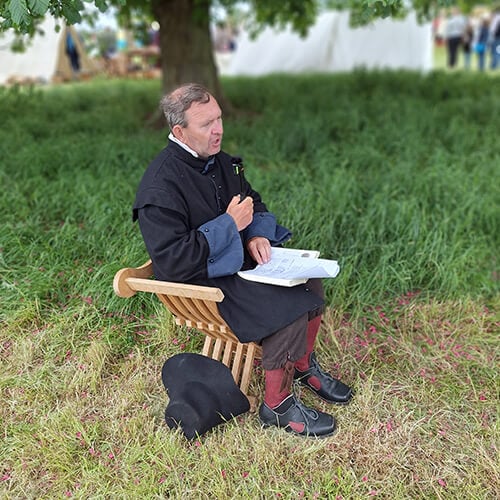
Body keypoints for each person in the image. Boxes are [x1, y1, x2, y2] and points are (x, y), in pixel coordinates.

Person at [133, 83, 353, 438]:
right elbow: (173, 261)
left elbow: (253, 203)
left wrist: (255, 234)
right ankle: (277, 406)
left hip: (234, 264)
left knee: (310, 280)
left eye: (219, 118)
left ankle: (301, 366)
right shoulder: (160, 187)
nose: (218, 129)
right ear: (179, 131)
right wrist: (229, 225)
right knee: (289, 304)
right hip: (199, 282)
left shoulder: (218, 161)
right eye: (206, 124)